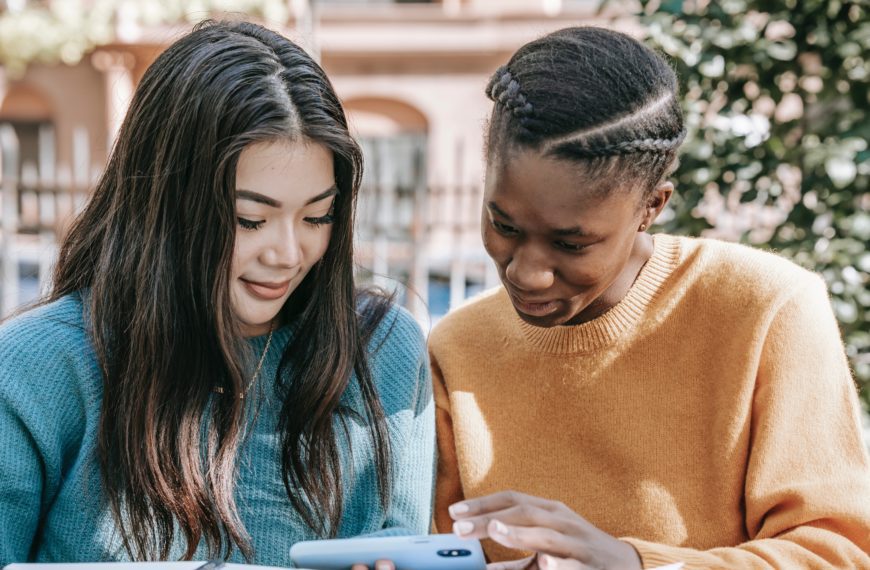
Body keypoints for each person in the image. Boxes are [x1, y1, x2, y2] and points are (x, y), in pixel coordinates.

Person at [429, 26, 870, 569]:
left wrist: (632, 563)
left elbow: (837, 552)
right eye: (504, 224)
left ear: (652, 206)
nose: (528, 272)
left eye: (572, 243)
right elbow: (442, 550)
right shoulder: (458, 348)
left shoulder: (766, 309)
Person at [0, 20, 434, 567]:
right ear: (165, 207)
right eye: (249, 219)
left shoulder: (384, 353)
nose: (287, 253)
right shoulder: (36, 368)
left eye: (317, 216)